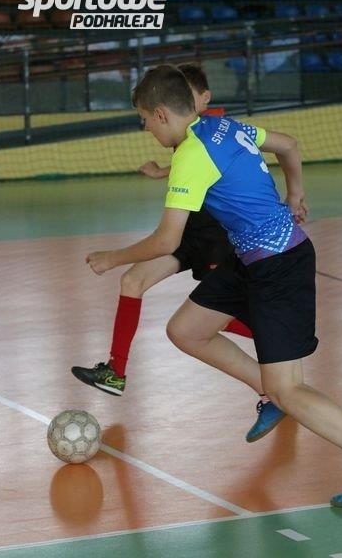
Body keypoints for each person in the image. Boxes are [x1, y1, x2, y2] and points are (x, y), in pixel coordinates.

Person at [82, 64, 342, 507]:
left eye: (145, 119)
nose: (146, 128)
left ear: (161, 114)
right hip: (248, 260)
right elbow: (289, 145)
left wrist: (113, 257)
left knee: (290, 388)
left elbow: (167, 240)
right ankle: (270, 393)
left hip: (279, 267)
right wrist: (295, 192)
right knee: (186, 330)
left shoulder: (191, 155)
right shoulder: (221, 126)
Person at [72, 63, 284, 442]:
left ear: (202, 98)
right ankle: (116, 372)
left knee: (212, 315)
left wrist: (113, 255)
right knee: (133, 280)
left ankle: (283, 344)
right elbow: (192, 165)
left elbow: (217, 160)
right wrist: (163, 172)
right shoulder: (186, 134)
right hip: (187, 230)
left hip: (213, 233)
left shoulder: (214, 124)